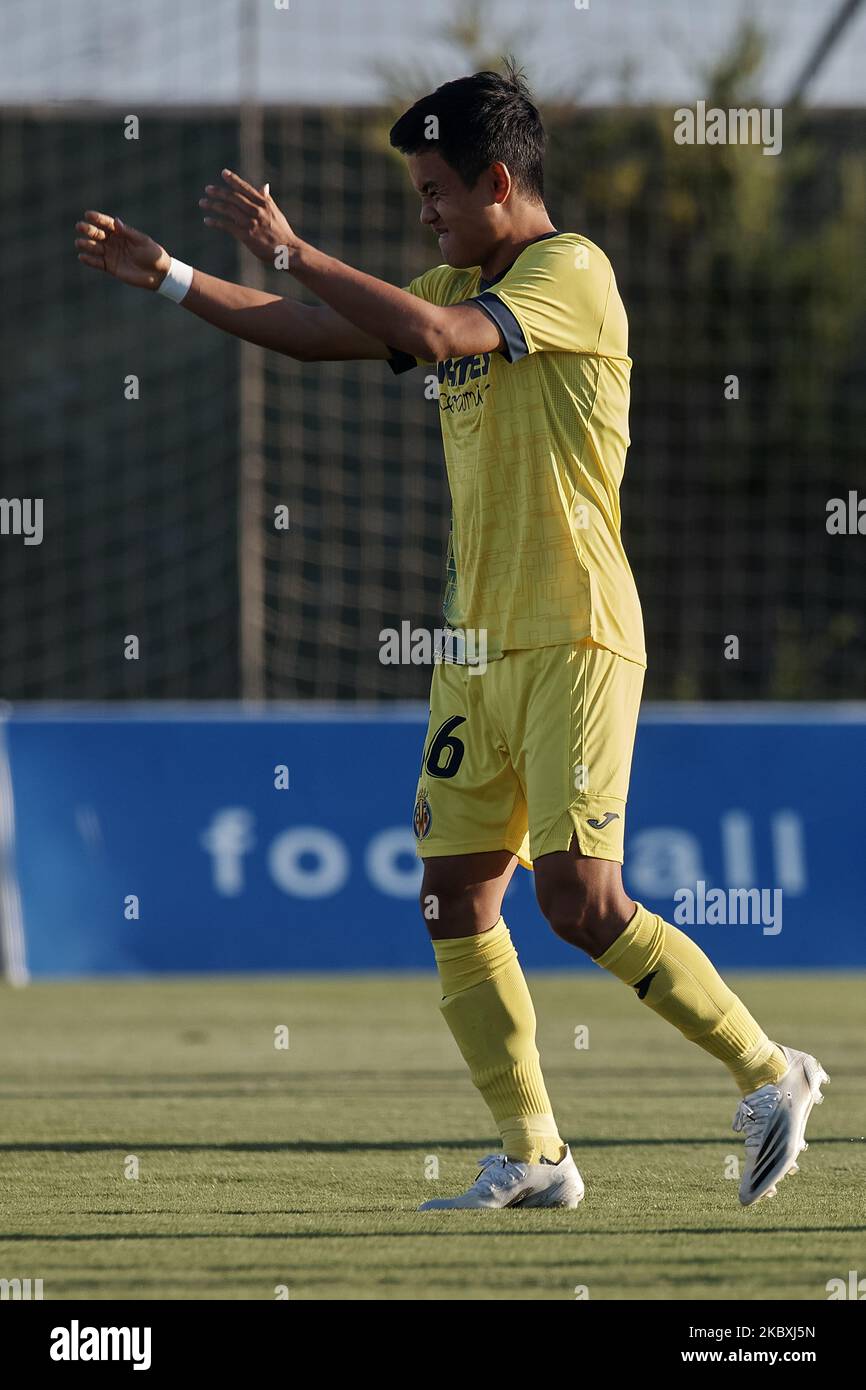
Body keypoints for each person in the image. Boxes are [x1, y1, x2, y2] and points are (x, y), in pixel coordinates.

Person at [75, 60, 828, 1212]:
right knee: (454, 897)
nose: (421, 210)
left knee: (578, 899)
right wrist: (173, 277)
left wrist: (290, 243)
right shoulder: (450, 283)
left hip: (573, 633)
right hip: (474, 653)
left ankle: (771, 1074)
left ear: (495, 181)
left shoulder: (570, 272)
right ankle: (536, 1154)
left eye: (432, 190)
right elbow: (319, 333)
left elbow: (428, 334)